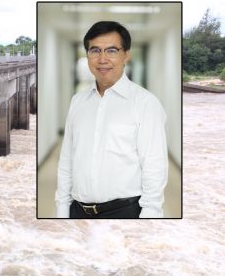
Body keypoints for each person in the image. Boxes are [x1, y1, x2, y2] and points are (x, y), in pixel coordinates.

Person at [55, 21, 168, 219]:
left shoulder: (145, 103)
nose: (102, 59)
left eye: (112, 51)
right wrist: (62, 210)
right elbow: (67, 160)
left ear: (126, 55)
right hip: (77, 212)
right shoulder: (78, 101)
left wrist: (149, 217)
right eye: (95, 50)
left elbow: (154, 166)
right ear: (87, 55)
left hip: (126, 212)